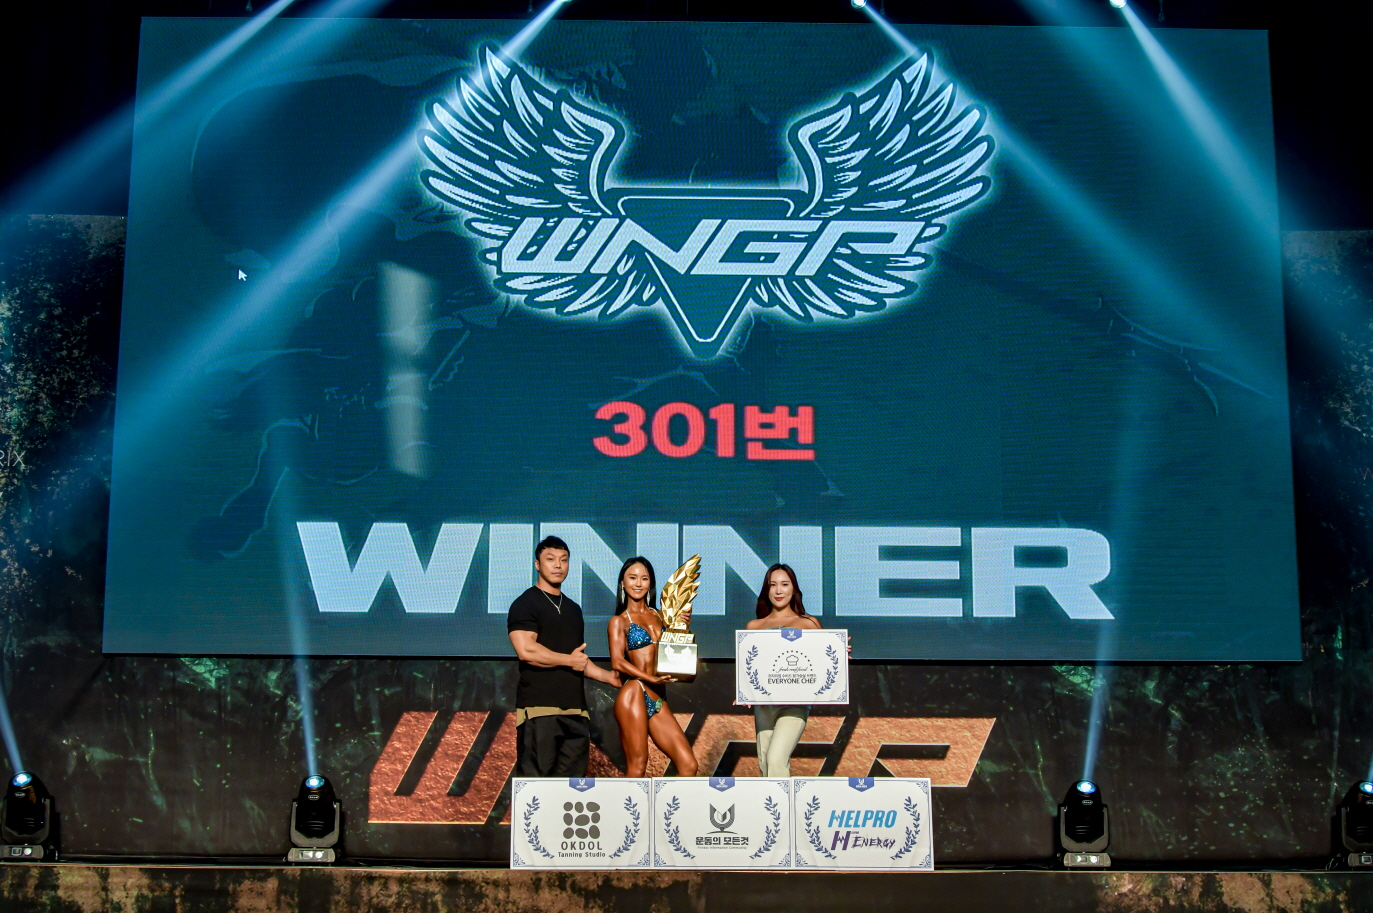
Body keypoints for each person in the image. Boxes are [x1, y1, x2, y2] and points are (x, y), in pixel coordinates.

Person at [507, 535, 620, 777]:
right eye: (550, 559)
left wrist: (609, 677)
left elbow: (578, 659)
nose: (558, 565)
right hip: (540, 711)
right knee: (536, 790)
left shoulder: (573, 609)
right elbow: (526, 651)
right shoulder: (525, 603)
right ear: (537, 564)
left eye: (564, 559)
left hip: (576, 713)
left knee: (571, 791)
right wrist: (569, 660)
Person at [605, 557, 699, 777]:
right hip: (635, 692)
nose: (638, 583)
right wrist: (651, 679)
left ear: (650, 583)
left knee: (688, 765)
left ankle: (668, 802)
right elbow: (617, 661)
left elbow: (676, 650)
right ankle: (629, 802)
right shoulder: (620, 621)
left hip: (658, 698)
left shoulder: (661, 616)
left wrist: (683, 627)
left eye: (644, 578)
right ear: (622, 583)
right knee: (637, 767)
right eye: (632, 578)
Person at [745, 563, 836, 777]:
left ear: (793, 588)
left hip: (794, 704)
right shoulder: (754, 626)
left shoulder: (808, 623)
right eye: (773, 585)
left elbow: (825, 659)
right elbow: (749, 666)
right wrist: (743, 691)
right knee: (765, 766)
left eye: (785, 584)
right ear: (766, 590)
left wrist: (839, 653)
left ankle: (781, 801)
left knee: (776, 760)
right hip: (764, 705)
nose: (779, 590)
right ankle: (774, 800)